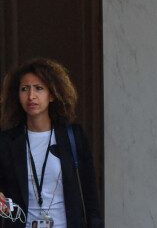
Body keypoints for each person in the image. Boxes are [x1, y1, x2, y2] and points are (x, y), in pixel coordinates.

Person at [0, 58, 104, 228]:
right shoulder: (8, 142)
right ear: (17, 95)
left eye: (39, 88)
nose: (31, 96)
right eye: (24, 89)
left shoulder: (73, 136)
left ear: (52, 95)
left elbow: (90, 193)